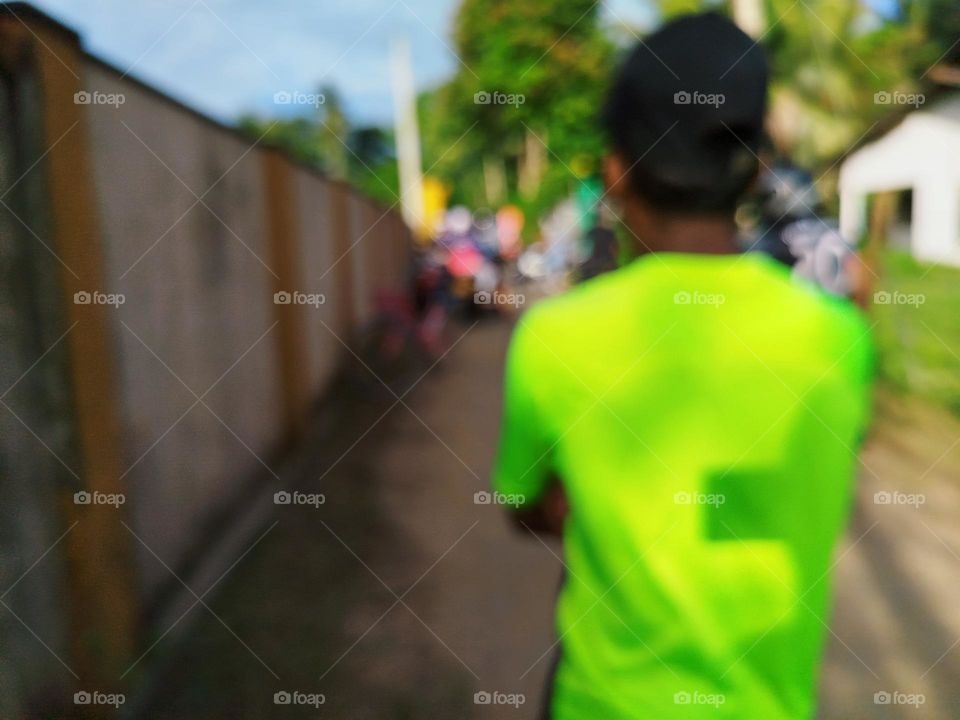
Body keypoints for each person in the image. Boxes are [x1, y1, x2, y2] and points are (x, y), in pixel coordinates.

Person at [492, 12, 874, 720]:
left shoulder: (554, 336)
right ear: (757, 165)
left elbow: (524, 506)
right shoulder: (840, 341)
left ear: (613, 170)